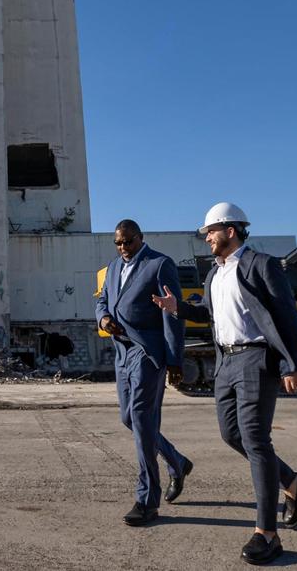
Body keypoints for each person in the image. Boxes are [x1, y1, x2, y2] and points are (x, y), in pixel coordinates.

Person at [153, 202, 297, 566]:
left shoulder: (262, 265)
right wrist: (175, 306)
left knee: (257, 439)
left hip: (257, 358)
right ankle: (293, 483)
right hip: (225, 360)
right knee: (232, 435)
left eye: (210, 231)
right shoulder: (214, 275)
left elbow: (287, 316)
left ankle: (267, 534)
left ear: (231, 230)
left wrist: (293, 364)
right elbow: (208, 313)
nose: (206, 237)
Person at [95, 219, 191, 527]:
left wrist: (175, 360)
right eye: (119, 243)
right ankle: (176, 461)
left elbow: (173, 314)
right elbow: (102, 301)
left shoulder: (160, 264)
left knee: (140, 415)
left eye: (129, 242)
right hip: (121, 352)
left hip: (147, 352)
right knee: (130, 419)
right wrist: (104, 318)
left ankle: (147, 499)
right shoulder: (112, 268)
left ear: (141, 238)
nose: (123, 248)